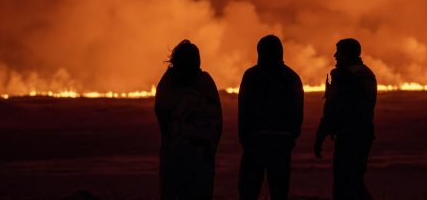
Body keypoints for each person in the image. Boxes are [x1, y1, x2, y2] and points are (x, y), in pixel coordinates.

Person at [238, 35, 304, 200]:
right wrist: (291, 137)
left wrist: (246, 138)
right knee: (279, 190)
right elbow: (297, 112)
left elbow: (243, 110)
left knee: (249, 190)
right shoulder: (292, 77)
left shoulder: (251, 75)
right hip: (281, 142)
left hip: (255, 141)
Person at [154, 40, 223, 200]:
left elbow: (162, 116)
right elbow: (216, 120)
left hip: (180, 154)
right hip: (196, 155)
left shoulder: (168, 84)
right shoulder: (203, 82)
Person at [314, 38, 377, 200]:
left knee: (344, 183)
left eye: (339, 52)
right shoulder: (367, 73)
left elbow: (334, 108)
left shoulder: (343, 75)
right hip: (365, 133)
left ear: (346, 54)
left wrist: (320, 135)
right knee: (355, 179)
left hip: (349, 135)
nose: (335, 55)